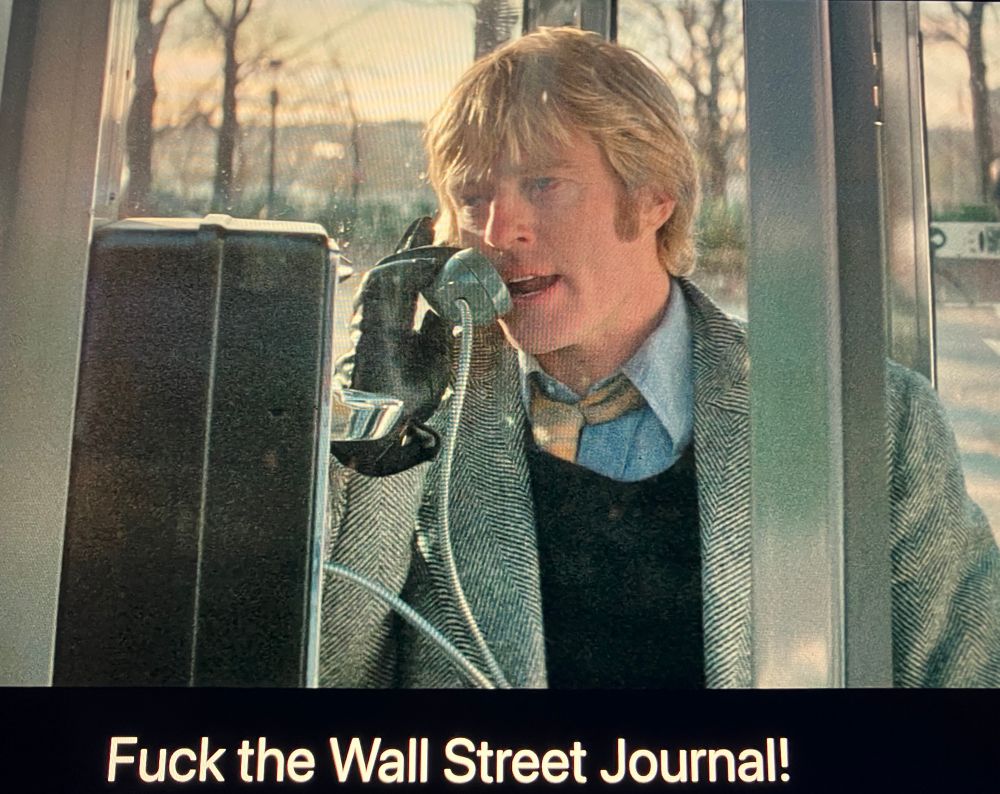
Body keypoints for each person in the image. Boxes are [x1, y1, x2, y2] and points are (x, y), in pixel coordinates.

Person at [320, 27, 1000, 688]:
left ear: (652, 196)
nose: (502, 230)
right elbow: (328, 678)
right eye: (473, 197)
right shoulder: (421, 435)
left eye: (543, 183)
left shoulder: (874, 424)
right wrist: (377, 435)